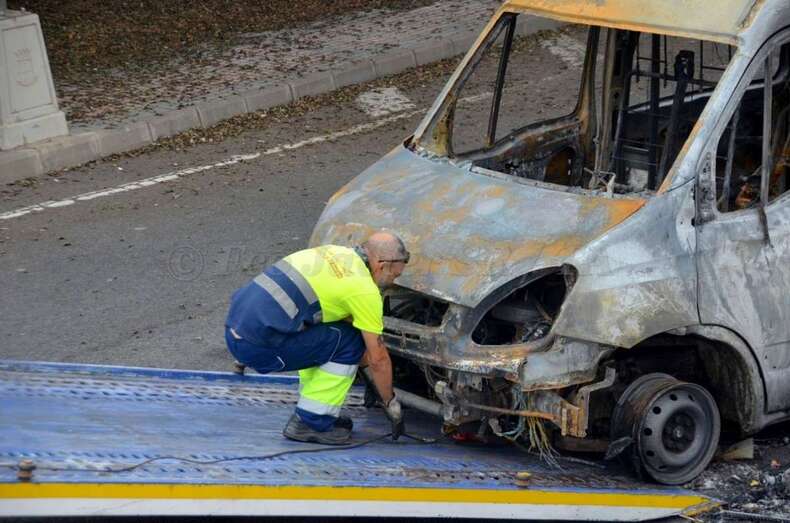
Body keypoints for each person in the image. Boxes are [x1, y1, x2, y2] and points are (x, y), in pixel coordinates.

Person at [224, 231, 410, 445]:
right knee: (350, 342)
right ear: (382, 265)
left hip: (234, 331)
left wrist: (371, 378)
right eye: (394, 275)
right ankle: (311, 421)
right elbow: (377, 358)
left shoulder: (334, 253)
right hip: (258, 348)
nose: (392, 281)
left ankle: (315, 406)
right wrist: (389, 402)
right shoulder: (363, 291)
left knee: (328, 332)